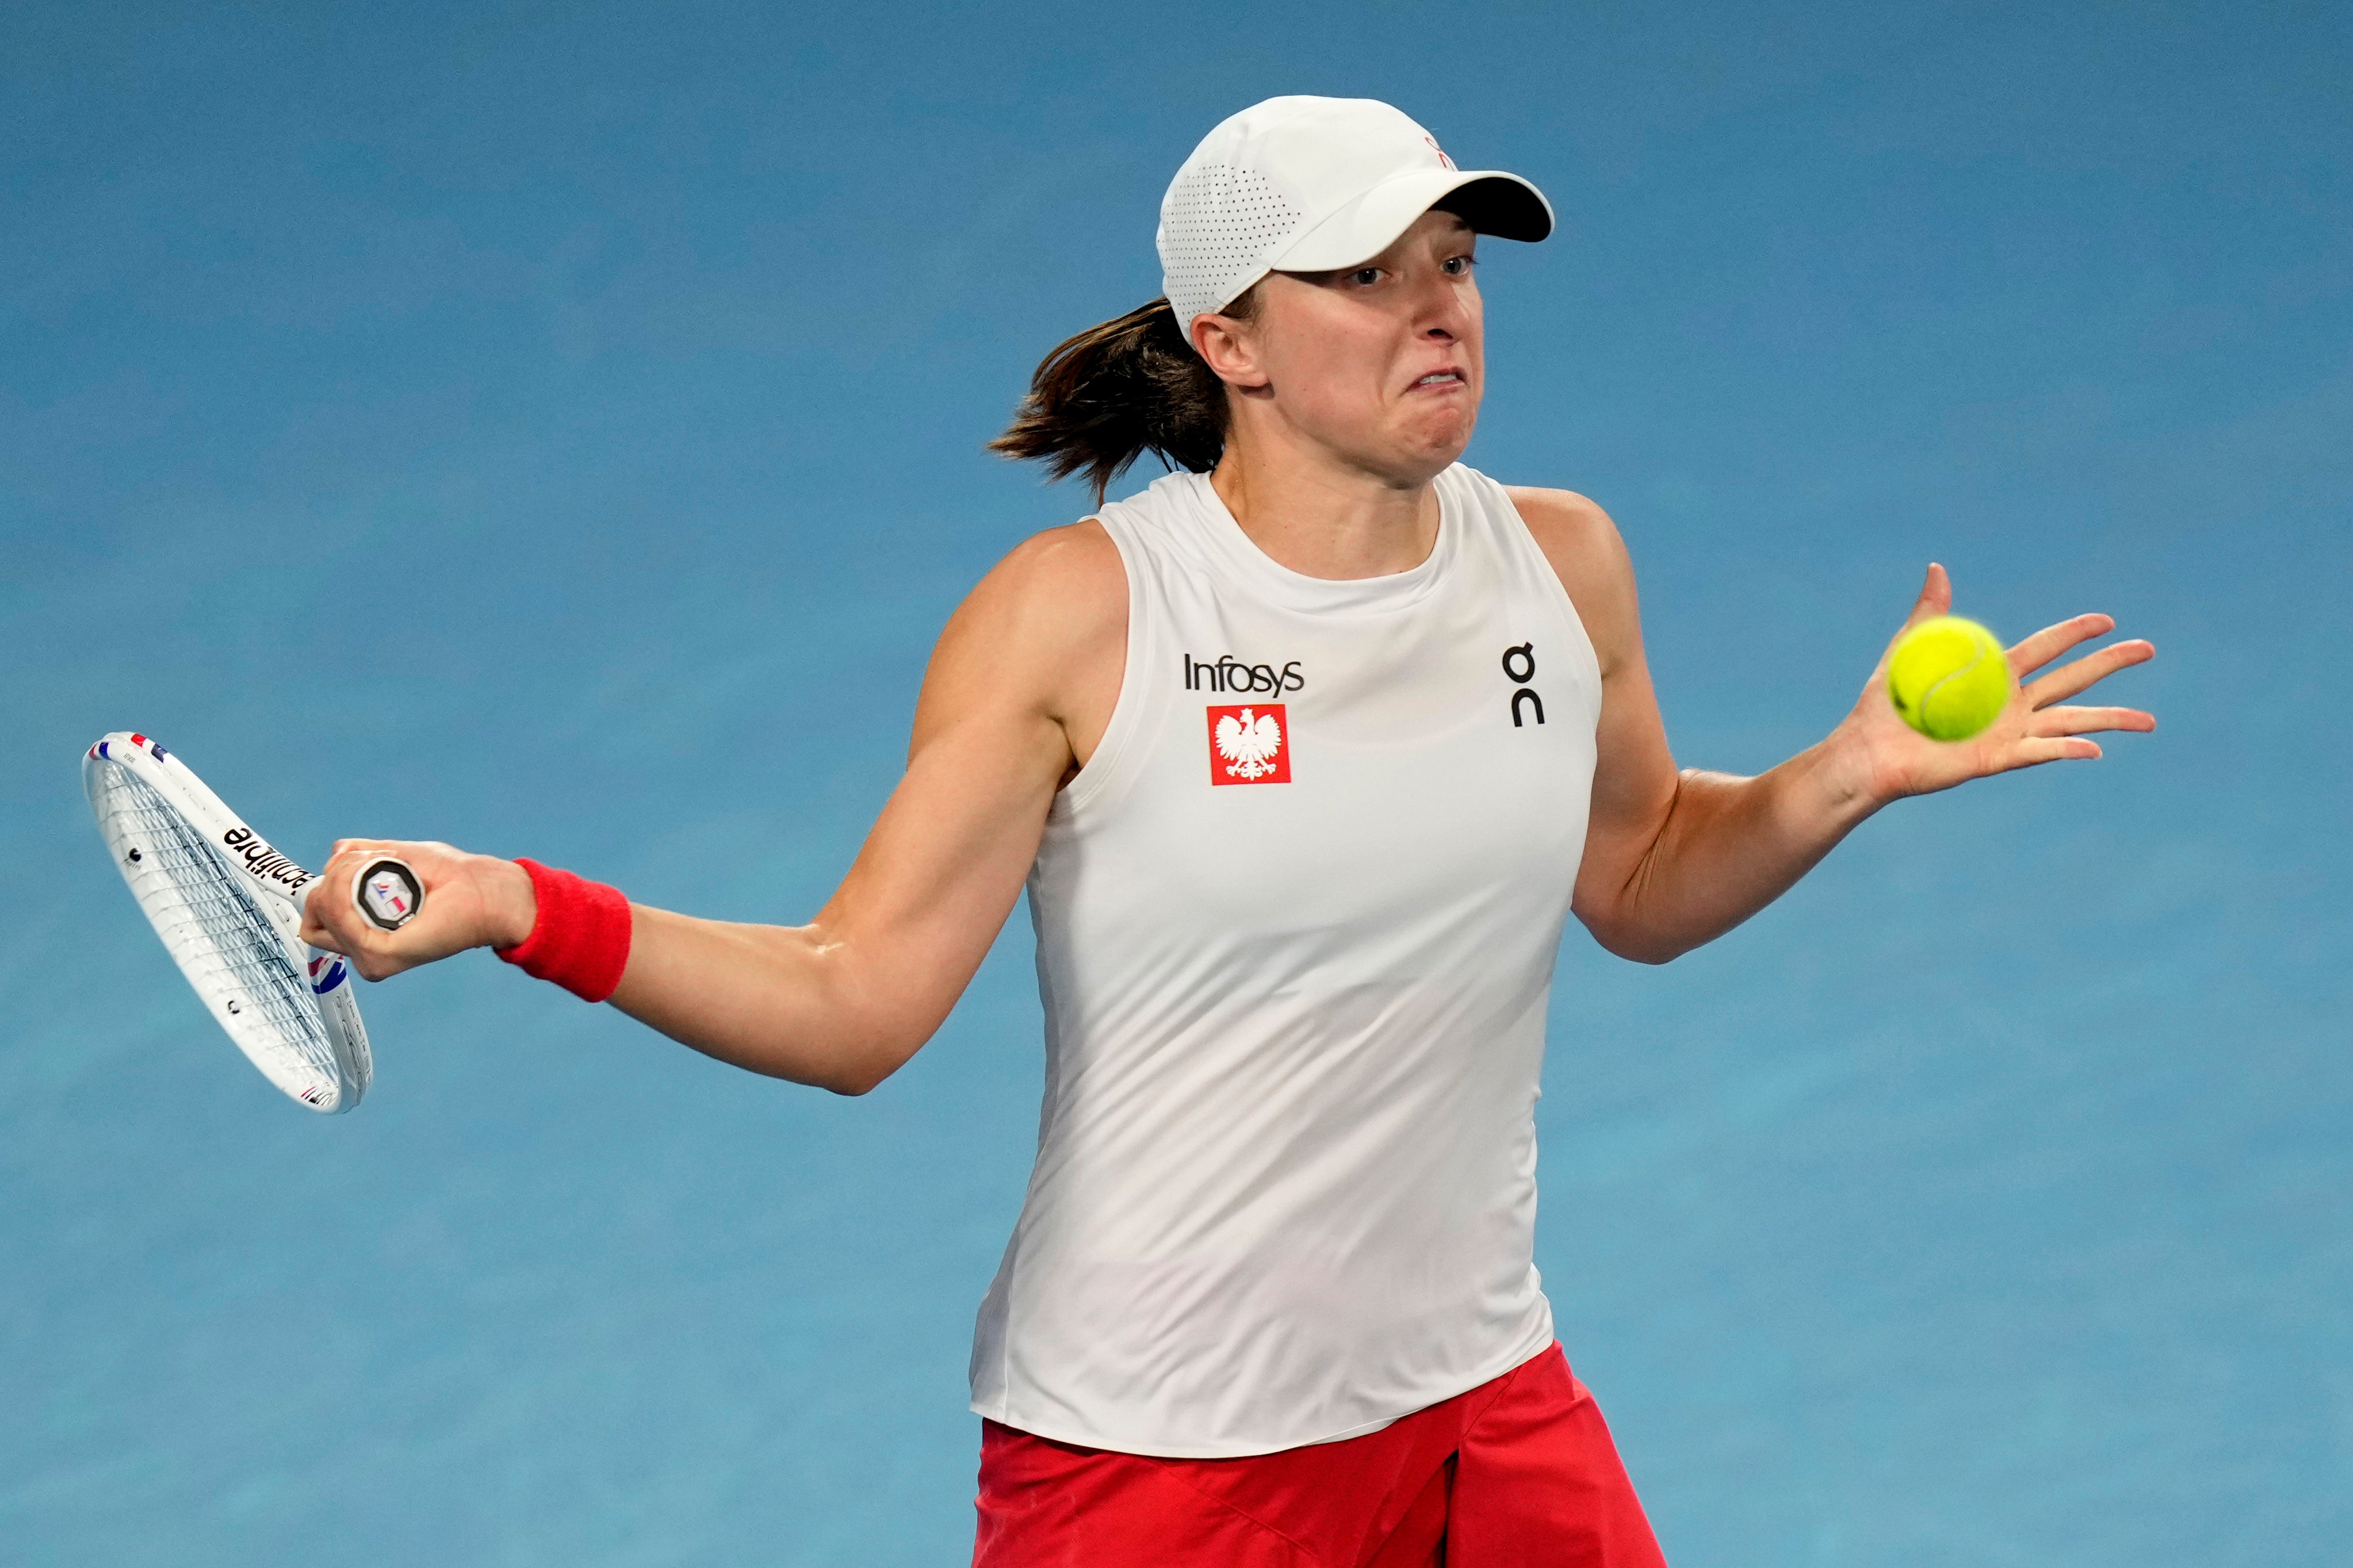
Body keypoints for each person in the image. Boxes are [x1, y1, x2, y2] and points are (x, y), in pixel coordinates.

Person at [301, 96, 2156, 1566]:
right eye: (1365, 274)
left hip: (1480, 1409)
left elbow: (1639, 879)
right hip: (1158, 1465)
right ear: (1230, 341)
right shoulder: (1082, 614)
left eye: (1454, 261)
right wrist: (517, 904)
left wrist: (1833, 776)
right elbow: (854, 1001)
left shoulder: (1557, 561)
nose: (1438, 306)